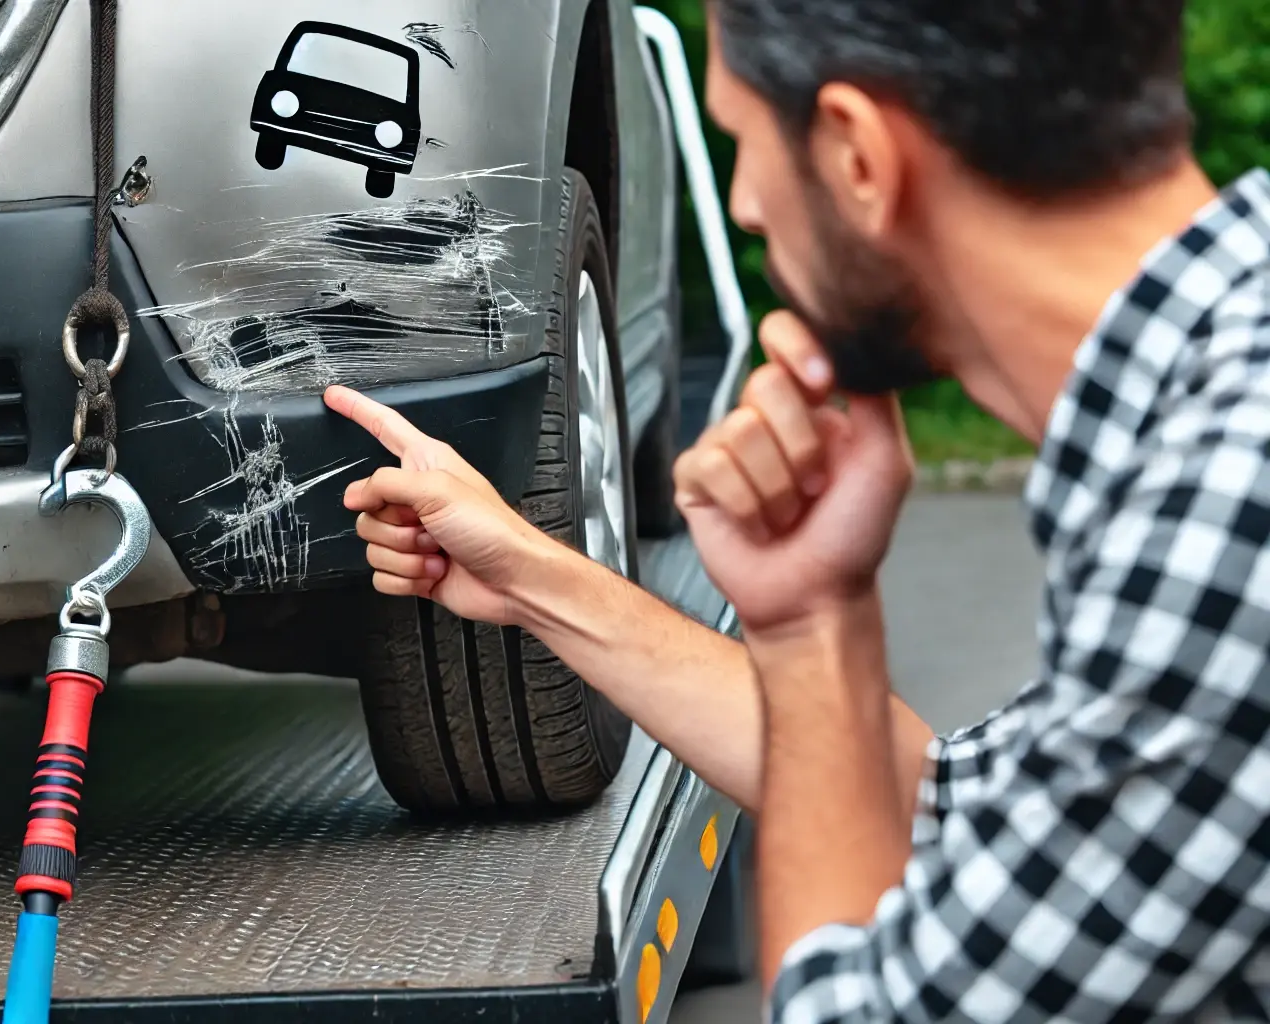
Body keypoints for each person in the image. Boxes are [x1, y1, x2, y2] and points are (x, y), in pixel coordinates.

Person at [322, 0, 1270, 1019]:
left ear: (858, 157)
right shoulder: (1220, 412)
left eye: (742, 139)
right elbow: (961, 806)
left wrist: (817, 627)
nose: (743, 206)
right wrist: (533, 573)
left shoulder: (1218, 510)